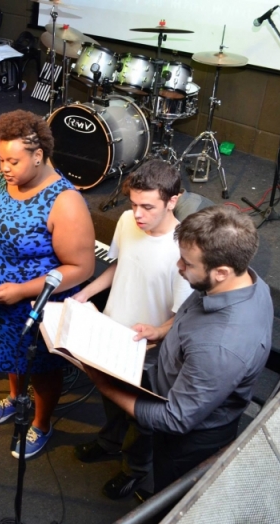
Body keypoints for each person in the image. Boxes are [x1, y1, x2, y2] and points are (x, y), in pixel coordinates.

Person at [91, 205, 273, 493]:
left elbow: (175, 418)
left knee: (168, 491)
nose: (179, 267)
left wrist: (105, 385)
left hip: (188, 440)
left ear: (222, 272)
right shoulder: (243, 278)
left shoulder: (221, 346)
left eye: (187, 264)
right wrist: (162, 330)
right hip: (170, 389)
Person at [0, 110, 95, 459]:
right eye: (1, 159)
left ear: (38, 156)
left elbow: (81, 267)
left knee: (39, 369)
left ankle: (41, 423)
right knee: (10, 357)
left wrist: (23, 290)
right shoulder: (2, 179)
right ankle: (13, 397)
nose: (5, 168)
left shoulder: (65, 202)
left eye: (13, 160)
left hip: (35, 304)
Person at [71, 160, 193, 499]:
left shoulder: (183, 249)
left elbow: (183, 316)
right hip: (111, 331)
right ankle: (109, 443)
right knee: (109, 397)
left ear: (173, 200)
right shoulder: (127, 220)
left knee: (142, 421)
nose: (137, 214)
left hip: (147, 351)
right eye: (134, 204)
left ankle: (135, 472)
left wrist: (157, 331)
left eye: (148, 207)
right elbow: (120, 265)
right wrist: (86, 293)